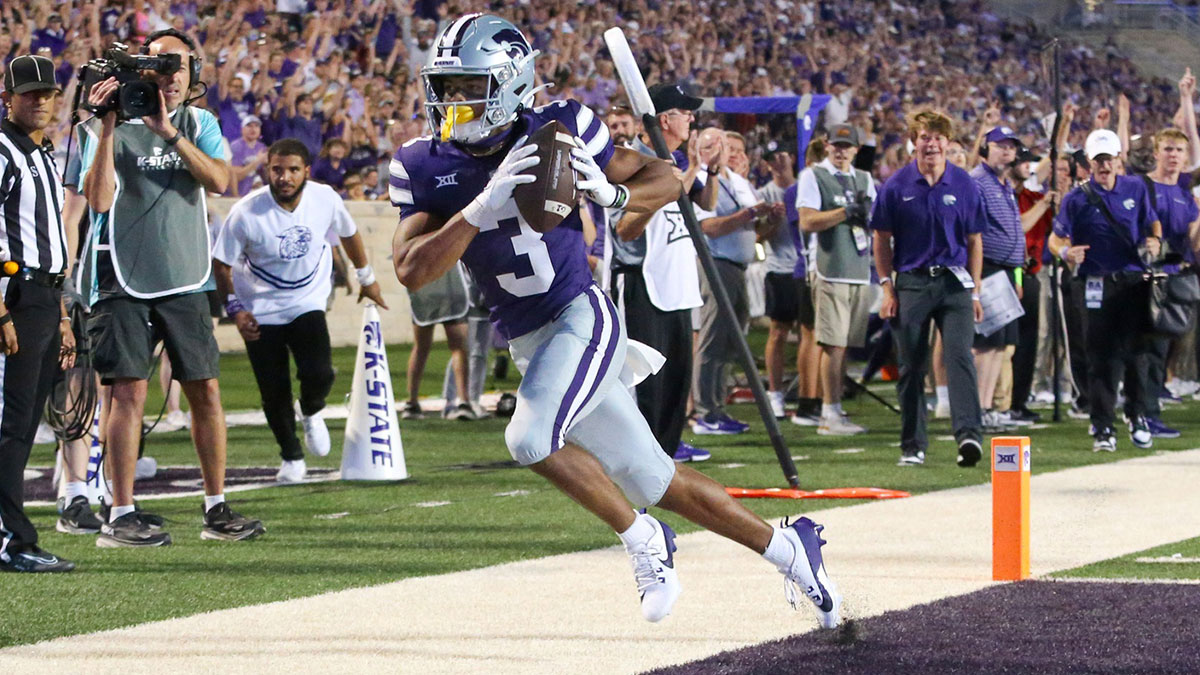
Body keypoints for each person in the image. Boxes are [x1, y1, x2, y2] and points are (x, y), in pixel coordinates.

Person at [391, 14, 840, 628]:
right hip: (529, 339)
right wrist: (479, 206)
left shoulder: (559, 128)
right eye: (445, 87)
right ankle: (792, 552)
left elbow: (663, 175)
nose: (452, 101)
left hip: (581, 316)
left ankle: (641, 539)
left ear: (511, 83)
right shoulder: (421, 162)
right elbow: (411, 269)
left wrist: (614, 194)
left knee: (527, 437)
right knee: (656, 478)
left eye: (469, 86)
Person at [77, 29, 264, 546]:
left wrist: (167, 132)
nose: (173, 76)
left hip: (185, 274)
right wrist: (110, 128)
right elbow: (96, 200)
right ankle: (120, 513)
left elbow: (220, 180)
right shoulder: (102, 124)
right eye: (162, 65)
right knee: (128, 394)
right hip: (123, 278)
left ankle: (216, 505)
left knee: (205, 388)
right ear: (142, 70)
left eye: (181, 66)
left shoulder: (198, 122)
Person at [214, 138, 388, 483]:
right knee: (273, 388)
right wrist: (235, 310)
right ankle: (291, 457)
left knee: (320, 371)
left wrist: (367, 277)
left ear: (306, 171)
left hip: (307, 298)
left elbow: (349, 233)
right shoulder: (246, 211)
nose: (285, 177)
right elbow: (221, 264)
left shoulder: (325, 198)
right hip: (260, 306)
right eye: (277, 169)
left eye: (293, 170)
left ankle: (310, 409)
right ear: (267, 170)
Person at [608, 83, 718, 462]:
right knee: (645, 380)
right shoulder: (629, 162)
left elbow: (702, 204)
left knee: (676, 378)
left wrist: (700, 170)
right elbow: (624, 229)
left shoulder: (673, 163)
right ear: (665, 119)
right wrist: (662, 189)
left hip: (675, 283)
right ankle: (639, 453)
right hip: (642, 279)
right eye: (685, 113)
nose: (692, 119)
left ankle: (666, 451)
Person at [872, 109, 985, 467]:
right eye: (925, 136)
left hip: (954, 282)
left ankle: (968, 436)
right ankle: (913, 444)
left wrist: (976, 291)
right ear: (914, 142)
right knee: (911, 365)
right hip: (913, 282)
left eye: (938, 137)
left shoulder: (964, 183)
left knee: (960, 356)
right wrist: (887, 288)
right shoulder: (896, 185)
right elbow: (881, 238)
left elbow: (975, 239)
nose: (931, 143)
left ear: (948, 144)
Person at [0, 54, 78, 573]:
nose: (40, 101)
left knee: (25, 423)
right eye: (29, 93)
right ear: (7, 97)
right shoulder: (3, 151)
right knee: (9, 423)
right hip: (16, 296)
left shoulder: (45, 152)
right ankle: (13, 540)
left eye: (47, 93)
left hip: (46, 297)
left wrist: (65, 314)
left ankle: (14, 535)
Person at [1049, 129, 1163, 452]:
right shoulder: (1076, 198)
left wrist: (1154, 240)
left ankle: (1137, 415)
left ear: (1118, 160)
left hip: (1131, 281)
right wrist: (1065, 253)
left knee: (1138, 353)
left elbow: (1152, 222)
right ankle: (1102, 425)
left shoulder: (1136, 188)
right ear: (1088, 162)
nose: (1104, 166)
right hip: (1094, 282)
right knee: (1101, 357)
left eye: (1109, 159)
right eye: (1098, 160)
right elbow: (1055, 239)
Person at [691, 130, 784, 434]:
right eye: (729, 148)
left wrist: (771, 218)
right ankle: (705, 411)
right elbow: (708, 227)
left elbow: (754, 230)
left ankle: (717, 406)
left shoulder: (741, 182)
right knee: (712, 339)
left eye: (740, 150)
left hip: (740, 265)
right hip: (716, 263)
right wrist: (746, 215)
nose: (736, 155)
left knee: (731, 342)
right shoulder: (707, 180)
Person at [798, 124, 876, 435]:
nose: (841, 150)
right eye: (836, 145)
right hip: (829, 266)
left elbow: (873, 216)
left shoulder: (864, 178)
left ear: (856, 149)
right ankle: (828, 413)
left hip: (858, 268)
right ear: (827, 146)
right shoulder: (813, 175)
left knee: (846, 345)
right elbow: (807, 221)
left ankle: (836, 409)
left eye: (847, 145)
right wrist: (845, 212)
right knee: (833, 343)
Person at [1134, 127, 1197, 439]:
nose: (1173, 155)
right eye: (1168, 149)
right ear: (1156, 152)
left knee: (1160, 348)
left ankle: (1146, 412)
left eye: (1179, 151)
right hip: (1144, 276)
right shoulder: (1141, 186)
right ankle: (1143, 415)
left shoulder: (1186, 196)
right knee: (1146, 348)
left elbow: (1194, 242)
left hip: (1173, 277)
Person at [969, 126, 1024, 432]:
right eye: (999, 145)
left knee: (1000, 346)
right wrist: (976, 279)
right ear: (986, 148)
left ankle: (987, 407)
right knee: (986, 345)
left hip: (1004, 272)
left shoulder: (1004, 184)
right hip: (987, 268)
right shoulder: (978, 182)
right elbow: (972, 234)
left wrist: (1015, 272)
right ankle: (977, 408)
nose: (1006, 151)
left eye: (1011, 146)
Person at [758, 147, 801, 421]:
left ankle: (808, 392)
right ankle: (775, 394)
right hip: (779, 268)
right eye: (771, 159)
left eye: (781, 156)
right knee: (778, 332)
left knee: (811, 335)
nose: (777, 162)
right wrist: (774, 221)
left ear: (791, 157)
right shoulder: (763, 195)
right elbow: (757, 236)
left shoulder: (805, 188)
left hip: (806, 267)